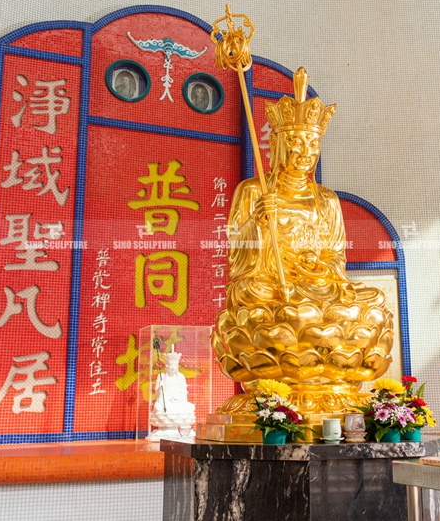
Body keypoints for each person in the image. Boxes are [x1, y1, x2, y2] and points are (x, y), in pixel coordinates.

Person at [214, 67, 393, 385]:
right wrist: (257, 223)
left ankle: (328, 363)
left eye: (312, 146)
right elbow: (236, 256)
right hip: (271, 288)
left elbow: (337, 258)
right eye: (296, 144)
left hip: (318, 288)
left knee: (374, 302)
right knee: (253, 298)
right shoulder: (254, 190)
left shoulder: (326, 199)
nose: (304, 154)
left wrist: (321, 269)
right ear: (279, 145)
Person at [153, 350, 195, 415]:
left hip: (178, 402)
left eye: (175, 365)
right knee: (158, 407)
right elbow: (157, 394)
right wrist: (160, 388)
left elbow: (184, 392)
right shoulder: (161, 376)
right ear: (167, 365)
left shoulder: (181, 377)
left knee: (191, 407)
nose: (173, 367)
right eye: (171, 365)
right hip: (166, 402)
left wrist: (178, 398)